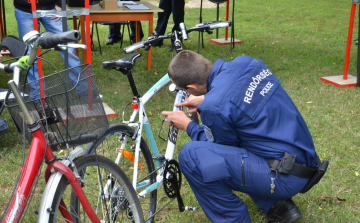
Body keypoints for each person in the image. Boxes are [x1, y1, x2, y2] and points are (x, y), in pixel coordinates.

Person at [161, 50, 322, 222]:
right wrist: (210, 99)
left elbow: (219, 152)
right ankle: (277, 206)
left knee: (191, 156)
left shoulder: (214, 108)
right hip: (305, 161)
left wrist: (188, 125)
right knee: (243, 137)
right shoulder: (246, 63)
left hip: (285, 178)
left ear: (192, 88)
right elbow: (237, 95)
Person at [14, 0, 85, 101]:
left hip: (51, 7)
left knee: (68, 47)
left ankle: (83, 90)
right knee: (30, 54)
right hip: (25, 10)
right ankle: (38, 97)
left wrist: (60, 4)